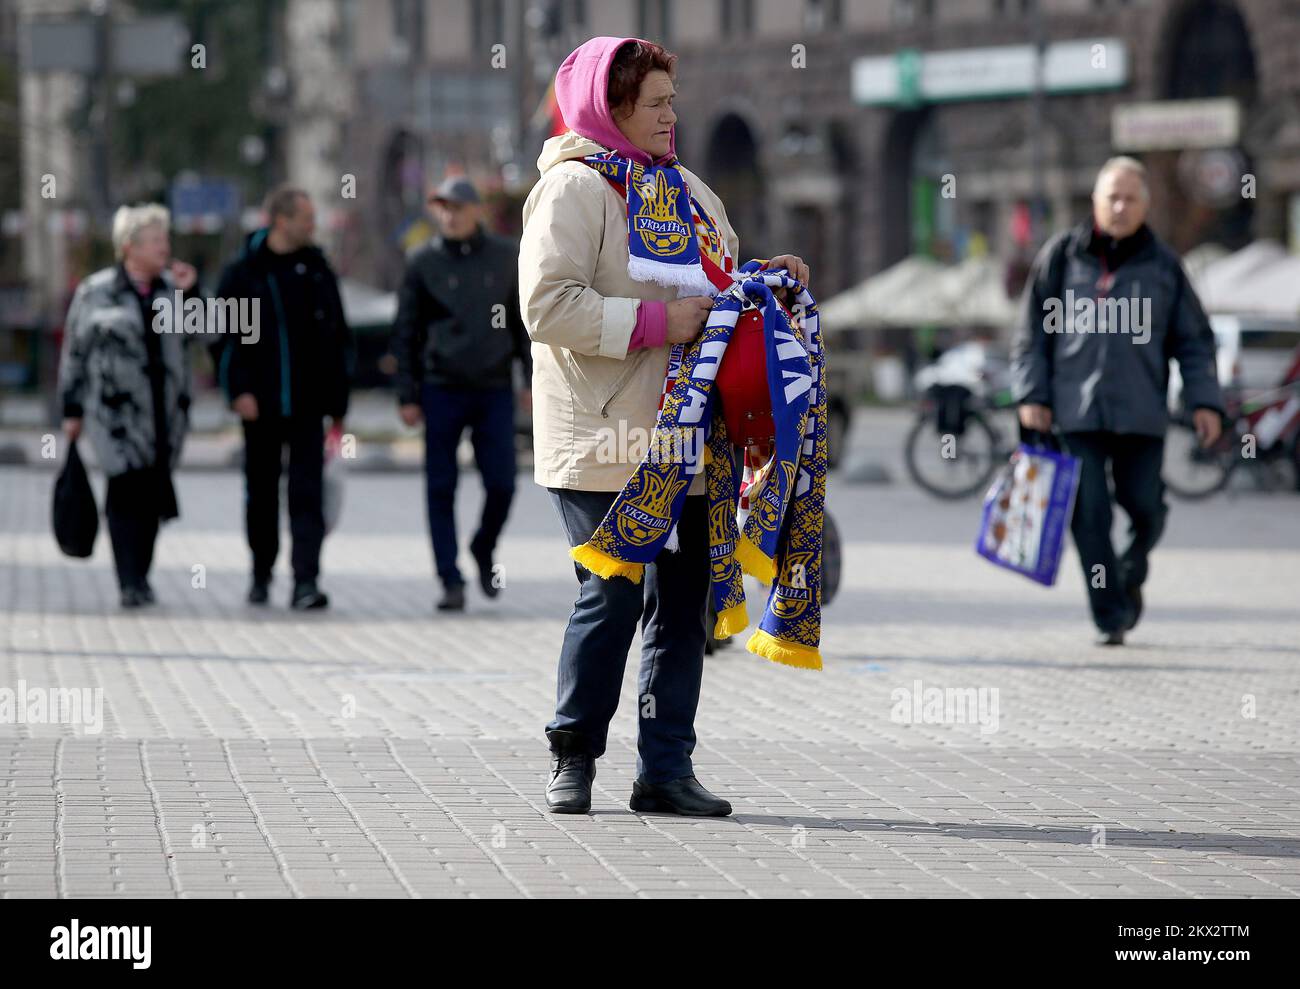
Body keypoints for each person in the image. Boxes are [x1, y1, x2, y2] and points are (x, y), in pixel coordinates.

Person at [518, 36, 811, 815]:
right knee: (610, 591)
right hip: (602, 437)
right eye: (655, 103)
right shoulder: (574, 190)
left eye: (672, 102)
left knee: (683, 605)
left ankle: (665, 768)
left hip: (690, 437)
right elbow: (545, 305)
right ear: (609, 109)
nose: (670, 116)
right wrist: (655, 322)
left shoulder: (691, 192)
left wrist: (769, 284)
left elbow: (723, 290)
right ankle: (573, 753)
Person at [1012, 156, 1225, 646]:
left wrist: (1206, 402)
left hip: (1141, 413)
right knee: (1089, 513)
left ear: (1145, 206)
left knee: (1145, 507)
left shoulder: (1164, 266)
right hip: (1075, 412)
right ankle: (1110, 614)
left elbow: (1193, 340)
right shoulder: (1063, 257)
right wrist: (1032, 395)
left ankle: (1130, 571)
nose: (1120, 206)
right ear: (1095, 201)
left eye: (1131, 198)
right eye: (1112, 196)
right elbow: (1030, 335)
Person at [392, 176, 533, 612]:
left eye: (457, 207)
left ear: (476, 211)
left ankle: (482, 547)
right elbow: (406, 332)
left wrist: (529, 379)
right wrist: (407, 394)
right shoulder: (422, 263)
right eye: (443, 207)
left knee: (503, 484)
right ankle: (449, 578)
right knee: (440, 486)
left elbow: (521, 322)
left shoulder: (506, 256)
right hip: (440, 388)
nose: (450, 215)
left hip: (493, 387)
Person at [216, 185, 353, 610]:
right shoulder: (243, 272)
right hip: (259, 406)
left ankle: (306, 582)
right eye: (306, 219)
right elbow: (222, 338)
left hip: (309, 405)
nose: (313, 226)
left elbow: (337, 336)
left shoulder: (316, 269)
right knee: (260, 494)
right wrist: (237, 390)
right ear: (281, 220)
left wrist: (338, 403)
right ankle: (260, 574)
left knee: (307, 494)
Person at [58, 204, 200, 608]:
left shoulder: (173, 290)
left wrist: (194, 293)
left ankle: (142, 573)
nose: (164, 248)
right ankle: (129, 580)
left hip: (164, 415)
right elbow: (75, 352)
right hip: (114, 415)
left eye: (165, 240)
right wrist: (71, 410)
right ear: (129, 247)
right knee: (124, 491)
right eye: (156, 240)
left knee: (153, 497)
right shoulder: (95, 292)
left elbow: (209, 335)